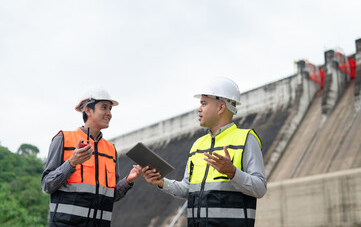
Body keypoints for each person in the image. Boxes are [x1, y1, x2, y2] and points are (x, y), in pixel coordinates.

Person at [143, 77, 267, 227]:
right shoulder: (197, 145)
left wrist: (233, 172)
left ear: (221, 107)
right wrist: (162, 182)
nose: (199, 109)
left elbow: (260, 188)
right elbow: (187, 189)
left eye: (204, 103)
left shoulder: (246, 139)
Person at [42, 88, 142, 227]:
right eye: (104, 107)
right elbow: (47, 185)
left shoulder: (111, 149)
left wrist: (128, 180)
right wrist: (71, 163)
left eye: (110, 109)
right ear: (88, 110)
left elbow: (111, 196)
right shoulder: (63, 139)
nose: (109, 114)